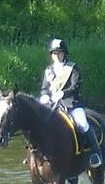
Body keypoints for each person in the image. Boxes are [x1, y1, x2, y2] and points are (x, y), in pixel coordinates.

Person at [41, 37, 101, 168]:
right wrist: (44, 96)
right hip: (52, 105)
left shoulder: (73, 68)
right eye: (54, 53)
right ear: (51, 55)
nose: (57, 56)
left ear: (64, 53)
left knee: (82, 123)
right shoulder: (48, 71)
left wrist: (62, 94)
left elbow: (75, 87)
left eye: (59, 53)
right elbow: (44, 88)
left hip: (71, 103)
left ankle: (96, 153)